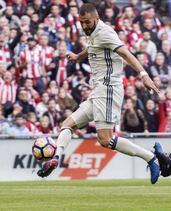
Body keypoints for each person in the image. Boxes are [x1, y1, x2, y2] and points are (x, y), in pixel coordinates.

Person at [37, 4, 161, 184]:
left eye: (87, 22)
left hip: (109, 88)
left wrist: (144, 75)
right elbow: (93, 47)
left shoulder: (105, 33)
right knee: (67, 124)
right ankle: (55, 158)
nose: (84, 26)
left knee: (105, 139)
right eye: (82, 23)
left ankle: (150, 157)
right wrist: (78, 57)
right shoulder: (93, 34)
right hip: (98, 90)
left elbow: (126, 53)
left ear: (96, 18)